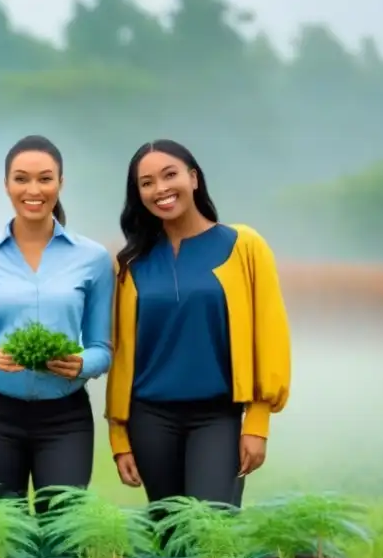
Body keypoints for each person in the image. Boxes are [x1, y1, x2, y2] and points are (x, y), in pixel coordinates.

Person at [105, 139, 291, 515]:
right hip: (149, 418)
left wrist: (257, 422)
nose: (160, 189)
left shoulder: (244, 246)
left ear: (193, 178)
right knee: (171, 534)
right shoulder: (129, 264)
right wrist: (119, 437)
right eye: (146, 182)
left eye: (169, 175)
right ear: (138, 194)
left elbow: (269, 336)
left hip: (217, 416)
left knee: (213, 531)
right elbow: (121, 352)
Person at [0, 135, 114, 508]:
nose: (33, 190)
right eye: (21, 179)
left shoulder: (93, 259)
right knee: (4, 538)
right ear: (6, 185)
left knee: (64, 531)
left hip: (66, 418)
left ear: (60, 184)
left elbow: (103, 348)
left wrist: (83, 363)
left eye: (45, 178)